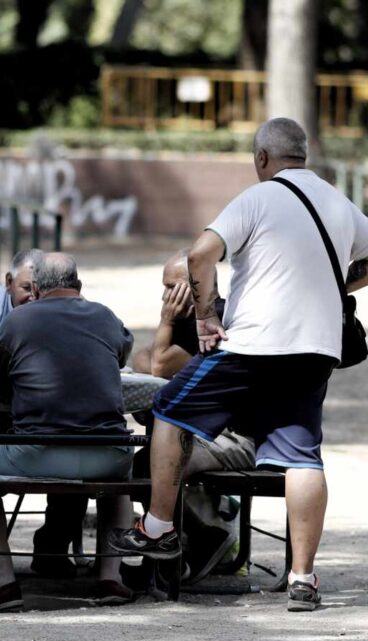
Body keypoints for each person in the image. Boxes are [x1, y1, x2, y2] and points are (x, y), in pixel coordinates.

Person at [110, 118, 368, 612]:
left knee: (168, 407)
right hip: (316, 348)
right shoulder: (338, 202)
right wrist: (339, 284)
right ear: (304, 155)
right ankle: (303, 578)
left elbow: (201, 255)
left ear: (262, 159)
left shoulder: (258, 197)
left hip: (253, 345)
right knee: (303, 457)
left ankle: (159, 527)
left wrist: (206, 318)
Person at [0, 252, 136, 611]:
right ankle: (111, 577)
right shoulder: (106, 316)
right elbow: (121, 355)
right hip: (107, 453)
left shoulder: (18, 320)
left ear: (38, 288)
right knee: (119, 484)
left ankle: (3, 583)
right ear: (79, 285)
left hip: (38, 452)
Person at [132, 251, 255, 584]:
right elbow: (142, 357)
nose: (164, 296)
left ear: (197, 287)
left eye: (172, 287)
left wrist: (166, 323)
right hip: (208, 434)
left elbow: (158, 366)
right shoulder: (190, 322)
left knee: (149, 466)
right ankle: (171, 554)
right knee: (148, 460)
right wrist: (167, 335)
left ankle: (204, 539)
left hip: (236, 439)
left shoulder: (219, 323)